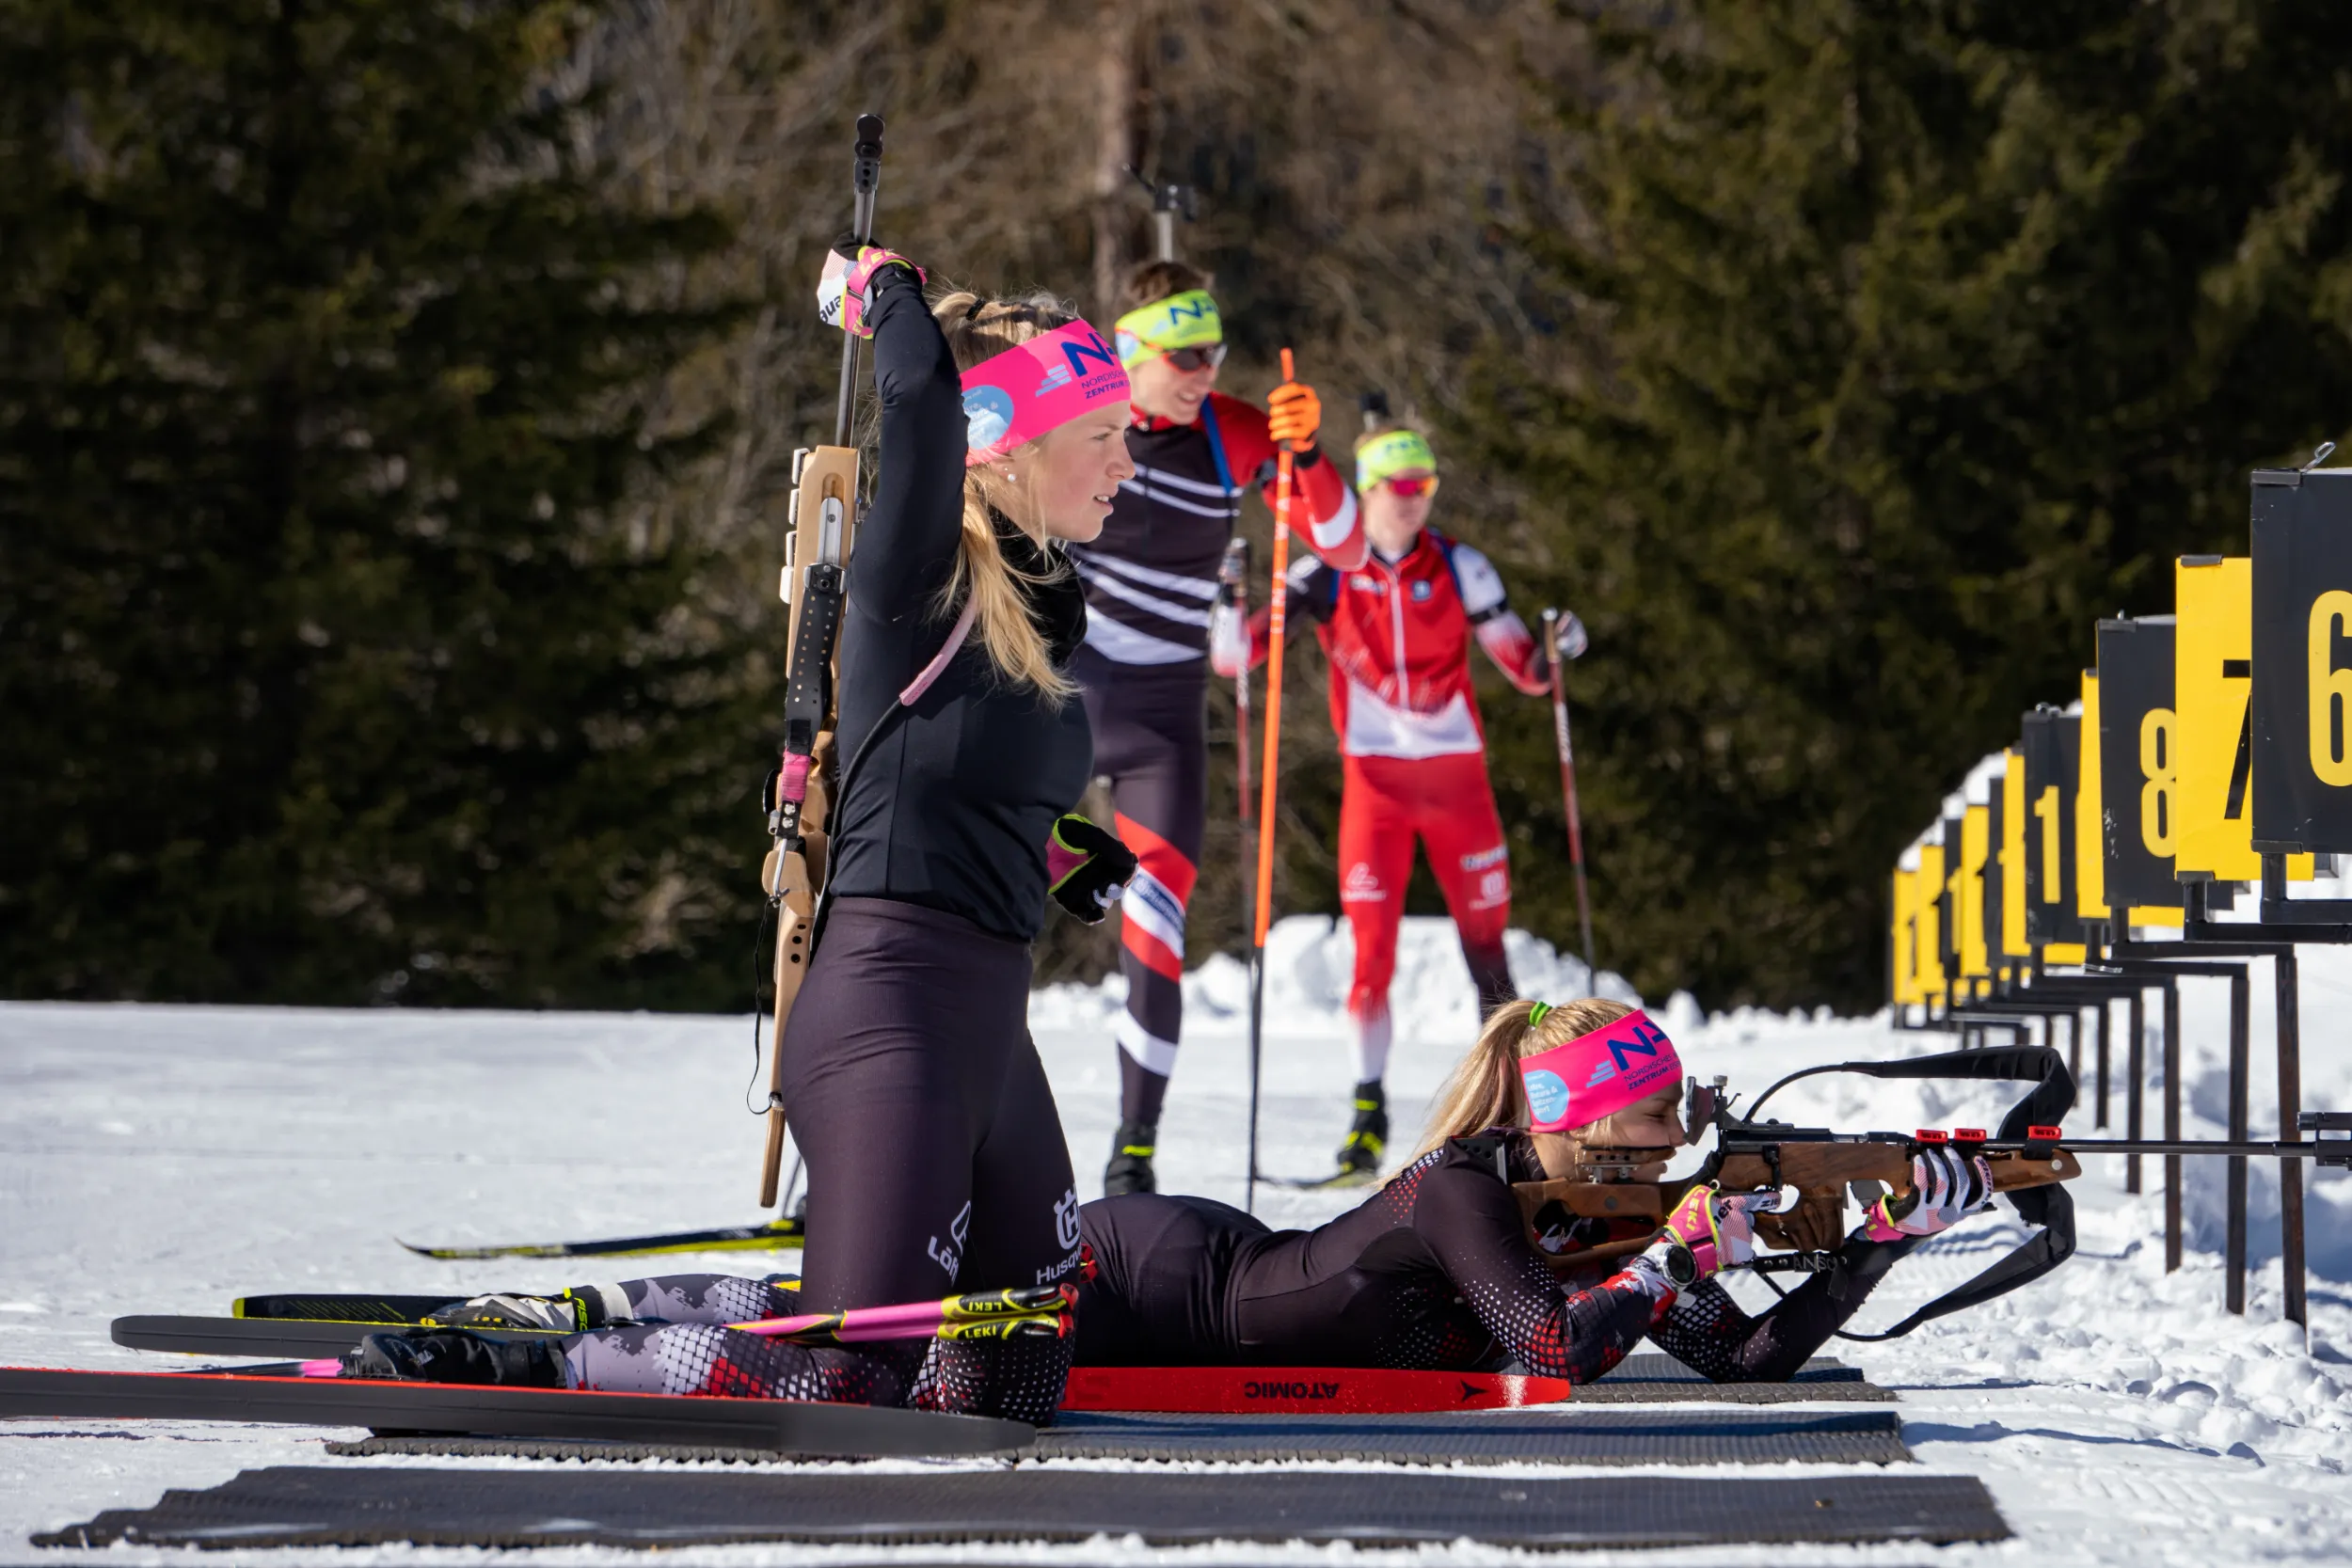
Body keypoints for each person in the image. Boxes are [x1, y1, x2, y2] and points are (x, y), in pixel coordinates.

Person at [338, 247, 1142, 1423]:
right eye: (1105, 435)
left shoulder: (1038, 606)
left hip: (989, 1034)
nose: (1130, 463)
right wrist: (892, 296)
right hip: (887, 1014)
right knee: (852, 1380)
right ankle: (528, 1359)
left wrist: (1065, 850)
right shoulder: (912, 574)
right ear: (1012, 445)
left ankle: (713, 1304)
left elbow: (953, 779)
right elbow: (917, 404)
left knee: (1016, 1370)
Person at [1073, 997, 1994, 1381]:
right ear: (1580, 1119)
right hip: (1147, 1273)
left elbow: (1741, 1357)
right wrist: (1673, 1256)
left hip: (1216, 1260)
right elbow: (1554, 1350)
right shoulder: (1458, 1187)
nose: (1677, 1134)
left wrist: (1885, 1237)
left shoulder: (1604, 1217)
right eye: (1652, 1114)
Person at [1075, 261, 1369, 1199]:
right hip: (1055, 707)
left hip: (1162, 724)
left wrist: (1312, 453)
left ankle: (1133, 1149)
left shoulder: (1229, 428)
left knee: (1155, 935)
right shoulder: (1080, 409)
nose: (1205, 367)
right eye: (1185, 352)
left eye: (1215, 349)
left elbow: (1347, 546)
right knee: (986, 904)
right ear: (1132, 350)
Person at [1210, 420, 1571, 1180]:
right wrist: (1226, 594)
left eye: (1425, 487)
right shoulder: (1326, 571)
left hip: (1458, 780)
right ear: (1366, 492)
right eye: (1400, 489)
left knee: (1488, 952)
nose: (1414, 502)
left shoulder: (1462, 566)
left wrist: (1556, 648)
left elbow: (1525, 670)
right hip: (1376, 785)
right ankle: (1367, 1117)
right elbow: (1236, 656)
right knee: (1370, 956)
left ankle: (1508, 1115)